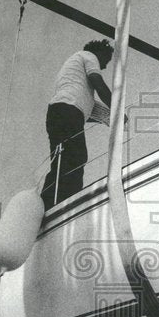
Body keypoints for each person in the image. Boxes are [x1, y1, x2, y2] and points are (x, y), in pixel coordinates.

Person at [41, 38, 114, 210]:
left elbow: (83, 109)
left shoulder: (75, 74)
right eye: (106, 60)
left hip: (61, 112)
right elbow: (98, 82)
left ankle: (49, 205)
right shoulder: (89, 56)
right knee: (75, 158)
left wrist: (109, 118)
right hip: (67, 111)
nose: (104, 66)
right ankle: (64, 205)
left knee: (65, 160)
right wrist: (116, 106)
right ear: (99, 52)